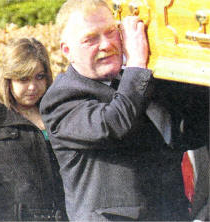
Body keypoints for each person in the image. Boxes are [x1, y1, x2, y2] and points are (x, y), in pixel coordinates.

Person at [39, 0, 204, 220]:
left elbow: (187, 131)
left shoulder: (135, 82)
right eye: (91, 39)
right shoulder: (61, 99)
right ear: (67, 50)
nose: (106, 44)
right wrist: (136, 61)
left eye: (111, 32)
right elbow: (113, 124)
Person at [0, 37, 67, 221]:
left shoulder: (58, 112)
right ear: (8, 79)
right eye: (23, 79)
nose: (32, 87)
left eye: (39, 77)